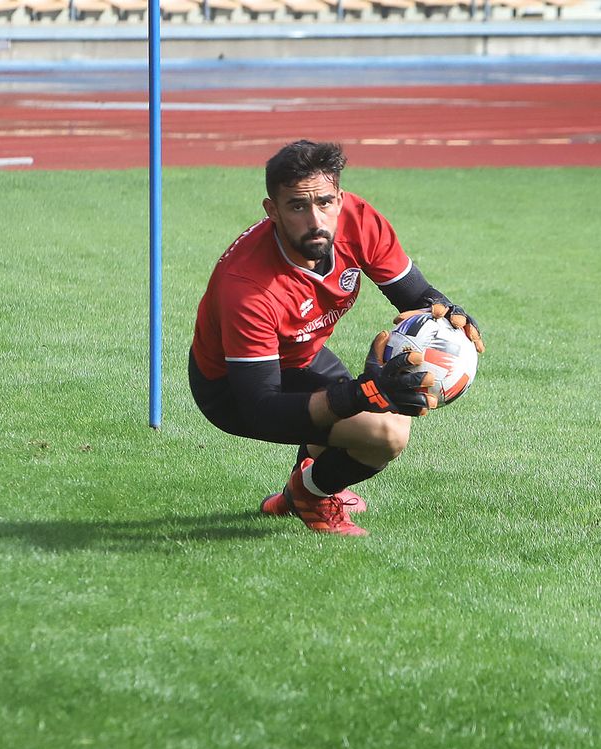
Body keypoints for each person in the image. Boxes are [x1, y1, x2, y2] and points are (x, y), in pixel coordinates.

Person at [189, 139, 484, 537]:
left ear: (340, 199)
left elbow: (416, 295)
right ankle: (309, 495)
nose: (316, 220)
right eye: (297, 206)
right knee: (385, 433)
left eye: (325, 202)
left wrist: (447, 313)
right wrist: (358, 395)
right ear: (272, 210)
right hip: (233, 388)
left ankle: (301, 489)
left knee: (364, 411)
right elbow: (261, 407)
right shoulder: (248, 289)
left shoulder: (358, 220)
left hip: (303, 352)